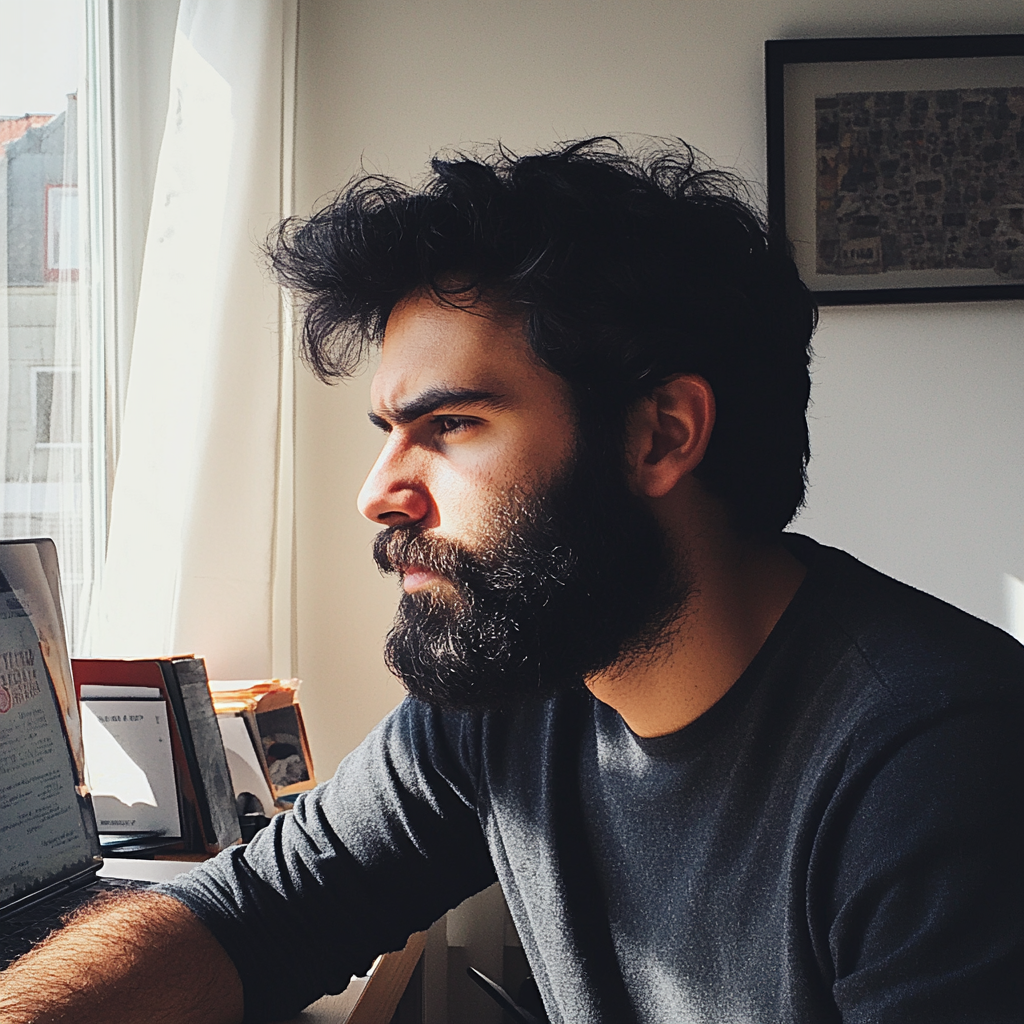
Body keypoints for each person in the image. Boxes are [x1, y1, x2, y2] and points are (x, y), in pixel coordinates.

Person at [1, 138, 1020, 1024]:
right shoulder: (516, 693)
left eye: (447, 426)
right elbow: (253, 917)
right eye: (388, 432)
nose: (378, 492)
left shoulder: (938, 764)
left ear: (657, 434)